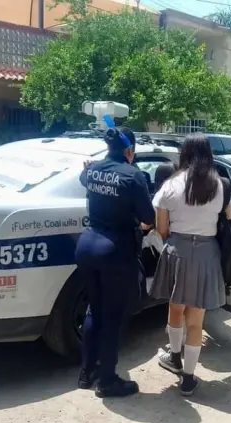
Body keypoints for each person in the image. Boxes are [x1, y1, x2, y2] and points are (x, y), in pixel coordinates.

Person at [149, 133, 231, 396]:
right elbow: (227, 222)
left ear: (183, 154)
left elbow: (161, 229)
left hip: (178, 251)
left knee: (175, 309)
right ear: (209, 155)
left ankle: (174, 357)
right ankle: (188, 378)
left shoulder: (171, 185)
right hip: (208, 253)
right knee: (196, 320)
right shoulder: (222, 185)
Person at [75, 126, 155, 398]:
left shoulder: (93, 169)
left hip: (86, 246)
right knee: (112, 317)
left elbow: (84, 176)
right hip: (114, 252)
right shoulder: (133, 176)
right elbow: (148, 216)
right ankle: (107, 381)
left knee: (93, 311)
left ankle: (87, 373)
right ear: (130, 151)